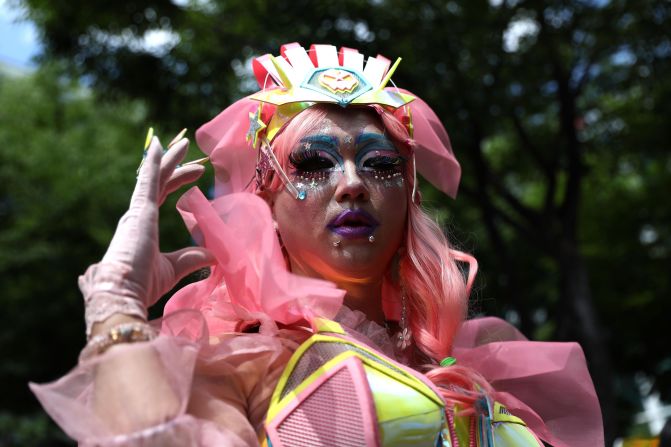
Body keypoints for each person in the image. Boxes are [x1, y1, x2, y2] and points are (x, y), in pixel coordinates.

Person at [30, 43, 604, 446]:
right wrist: (116, 301)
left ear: (409, 200)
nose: (352, 184)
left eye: (381, 165)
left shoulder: (484, 354)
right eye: (312, 164)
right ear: (266, 201)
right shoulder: (245, 359)